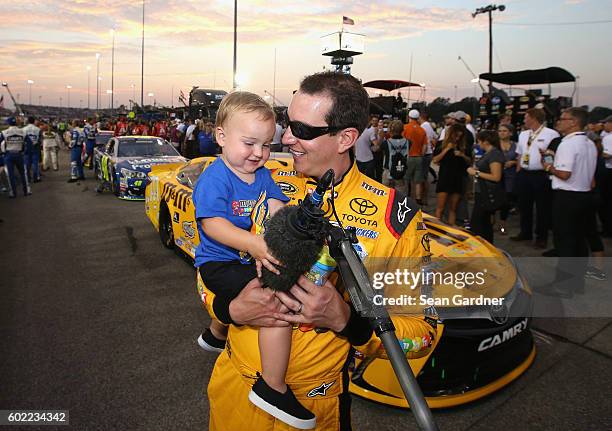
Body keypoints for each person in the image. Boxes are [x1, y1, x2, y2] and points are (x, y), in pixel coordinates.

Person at [200, 72, 436, 430]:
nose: (288, 138)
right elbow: (206, 267)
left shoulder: (395, 219)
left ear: (346, 138)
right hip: (233, 389)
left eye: (304, 130)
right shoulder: (261, 177)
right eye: (288, 124)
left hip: (313, 404)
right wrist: (227, 307)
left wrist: (347, 321)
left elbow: (425, 333)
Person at [193, 92, 323, 428]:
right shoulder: (215, 176)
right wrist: (253, 243)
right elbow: (212, 224)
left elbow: (274, 206)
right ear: (221, 136)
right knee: (274, 305)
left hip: (246, 258)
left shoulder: (263, 174)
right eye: (250, 143)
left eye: (266, 145)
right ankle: (272, 386)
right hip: (219, 262)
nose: (259, 154)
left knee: (274, 278)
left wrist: (286, 230)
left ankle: (214, 333)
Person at [540, 108, 597, 298]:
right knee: (580, 242)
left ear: (573, 122)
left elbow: (564, 174)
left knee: (565, 242)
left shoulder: (567, 144)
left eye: (562, 119)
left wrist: (548, 166)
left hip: (568, 197)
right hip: (585, 196)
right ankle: (576, 283)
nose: (559, 122)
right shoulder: (589, 143)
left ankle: (562, 286)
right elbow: (591, 179)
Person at [512, 108, 560, 248]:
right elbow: (520, 154)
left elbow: (553, 156)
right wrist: (518, 172)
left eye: (526, 117)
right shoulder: (523, 134)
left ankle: (541, 237)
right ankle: (525, 232)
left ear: (533, 118)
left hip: (541, 175)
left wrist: (549, 170)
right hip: (525, 173)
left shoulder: (551, 134)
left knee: (542, 207)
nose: (524, 120)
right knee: (524, 205)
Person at [466, 130, 504, 243]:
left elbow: (496, 176)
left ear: (485, 142)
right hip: (481, 192)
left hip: (486, 193)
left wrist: (475, 173)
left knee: (478, 225)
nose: (478, 144)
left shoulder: (494, 154)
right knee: (484, 224)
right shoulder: (489, 154)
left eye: (479, 141)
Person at [432, 124, 471, 225]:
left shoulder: (464, 146)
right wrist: (446, 150)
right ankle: (437, 230)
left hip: (458, 178)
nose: (457, 138)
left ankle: (451, 231)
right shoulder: (441, 144)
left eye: (460, 136)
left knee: (453, 208)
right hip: (445, 177)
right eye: (455, 136)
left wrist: (462, 155)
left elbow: (469, 161)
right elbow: (435, 160)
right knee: (440, 207)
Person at [0, 117, 31, 198]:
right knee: (23, 173)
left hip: (8, 155)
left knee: (10, 175)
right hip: (19, 154)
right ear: (16, 123)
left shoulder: (4, 132)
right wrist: (26, 152)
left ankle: (13, 193)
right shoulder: (23, 132)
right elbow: (30, 143)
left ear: (8, 123)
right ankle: (26, 190)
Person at [403, 109, 428, 204]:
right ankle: (418, 199)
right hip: (418, 157)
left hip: (408, 157)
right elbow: (425, 146)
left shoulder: (405, 128)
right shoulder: (422, 130)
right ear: (417, 118)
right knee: (418, 180)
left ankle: (405, 198)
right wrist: (421, 155)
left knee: (406, 179)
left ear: (409, 117)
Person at [498, 124, 518, 235]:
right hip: (496, 175)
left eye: (504, 131)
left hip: (510, 176)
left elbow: (520, 159)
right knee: (496, 198)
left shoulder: (516, 145)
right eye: (500, 131)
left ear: (510, 133)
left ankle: (503, 223)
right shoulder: (495, 146)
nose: (502, 133)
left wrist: (514, 162)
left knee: (506, 200)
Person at [22, 116, 42, 182]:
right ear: (34, 121)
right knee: (35, 163)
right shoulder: (38, 129)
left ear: (28, 121)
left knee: (27, 164)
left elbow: (22, 139)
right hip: (35, 146)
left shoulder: (23, 129)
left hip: (26, 147)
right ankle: (35, 178)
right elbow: (40, 140)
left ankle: (28, 178)